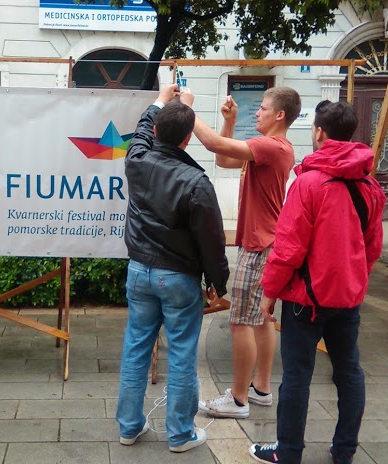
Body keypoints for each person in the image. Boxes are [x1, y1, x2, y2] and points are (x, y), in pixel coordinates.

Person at [249, 100, 385, 464]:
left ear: (320, 132)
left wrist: (269, 292)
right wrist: (354, 279)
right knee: (349, 372)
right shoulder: (370, 186)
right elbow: (372, 247)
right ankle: (344, 451)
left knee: (296, 376)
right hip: (347, 299)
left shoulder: (308, 183)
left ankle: (288, 452)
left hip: (305, 300)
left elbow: (289, 248)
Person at [117, 84, 230, 453]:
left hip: (139, 271)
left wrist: (162, 101)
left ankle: (129, 427)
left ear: (154, 132)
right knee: (181, 353)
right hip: (179, 277)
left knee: (136, 347)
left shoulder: (136, 160)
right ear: (187, 139)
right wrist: (217, 282)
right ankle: (180, 434)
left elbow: (141, 130)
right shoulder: (196, 182)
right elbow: (212, 240)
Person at [181, 87, 300, 419]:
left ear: (280, 115)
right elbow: (223, 158)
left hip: (260, 245)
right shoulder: (271, 148)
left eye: (263, 108)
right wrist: (229, 121)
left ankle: (238, 399)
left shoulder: (271, 146)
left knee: (239, 322)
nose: (257, 112)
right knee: (261, 319)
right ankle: (261, 389)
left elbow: (212, 145)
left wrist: (186, 110)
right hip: (266, 243)